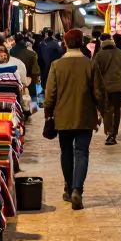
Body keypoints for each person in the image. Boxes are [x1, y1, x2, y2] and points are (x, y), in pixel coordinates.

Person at [44, 27, 105, 210]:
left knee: (66, 152)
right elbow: (99, 93)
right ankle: (78, 190)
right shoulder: (90, 65)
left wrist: (48, 113)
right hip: (85, 116)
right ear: (82, 43)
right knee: (82, 153)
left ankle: (69, 189)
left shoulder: (56, 65)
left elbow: (50, 95)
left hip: (63, 117)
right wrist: (101, 112)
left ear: (65, 43)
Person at [92, 33, 121, 145]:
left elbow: (95, 74)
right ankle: (113, 133)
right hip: (119, 87)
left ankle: (110, 133)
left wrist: (93, 88)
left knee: (107, 110)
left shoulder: (99, 55)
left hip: (105, 88)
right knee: (116, 110)